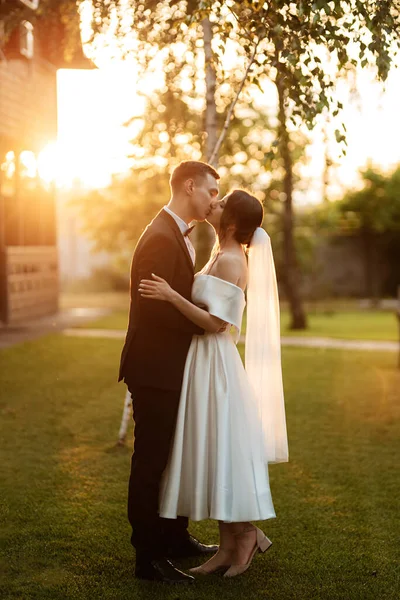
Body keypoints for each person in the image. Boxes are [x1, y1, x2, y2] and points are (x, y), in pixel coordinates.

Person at [139, 189, 289, 578]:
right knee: (213, 447)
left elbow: (217, 323)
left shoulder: (229, 260)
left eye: (222, 204)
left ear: (233, 223)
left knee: (219, 447)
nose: (214, 204)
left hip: (214, 361)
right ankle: (227, 548)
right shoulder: (220, 255)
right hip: (202, 361)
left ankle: (246, 538)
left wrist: (171, 296)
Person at [118, 161, 221, 584]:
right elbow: (156, 310)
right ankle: (148, 557)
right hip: (155, 368)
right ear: (190, 186)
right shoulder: (161, 238)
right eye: (212, 191)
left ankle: (175, 536)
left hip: (172, 366)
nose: (214, 198)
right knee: (151, 463)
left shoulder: (176, 233)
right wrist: (206, 322)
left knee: (174, 455)